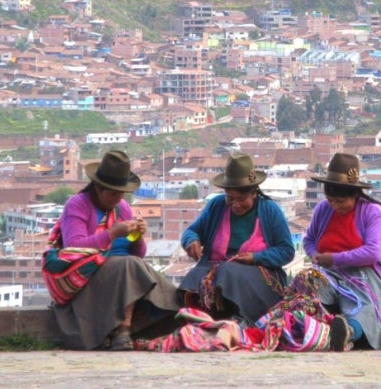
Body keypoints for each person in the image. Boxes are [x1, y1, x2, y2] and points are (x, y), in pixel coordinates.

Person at [47, 150, 181, 350]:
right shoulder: (77, 205)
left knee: (143, 272)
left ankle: (170, 317)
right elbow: (73, 248)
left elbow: (137, 254)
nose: (117, 198)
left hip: (123, 271)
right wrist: (110, 234)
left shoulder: (123, 208)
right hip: (89, 274)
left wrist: (137, 237)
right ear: (98, 188)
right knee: (130, 265)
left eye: (121, 193)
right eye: (112, 193)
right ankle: (124, 330)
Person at [305, 152, 381, 351]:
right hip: (329, 270)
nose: (335, 206)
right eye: (331, 201)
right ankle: (312, 330)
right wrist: (315, 255)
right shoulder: (323, 209)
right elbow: (309, 240)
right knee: (307, 286)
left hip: (366, 271)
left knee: (366, 299)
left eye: (341, 201)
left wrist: (334, 258)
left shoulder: (373, 213)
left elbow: (372, 252)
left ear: (355, 195)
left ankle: (348, 331)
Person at [178, 153, 295, 324]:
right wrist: (191, 241)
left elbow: (286, 251)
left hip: (258, 274)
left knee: (228, 272)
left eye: (242, 199)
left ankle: (240, 317)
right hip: (215, 269)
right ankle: (197, 317)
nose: (235, 205)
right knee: (197, 275)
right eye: (230, 198)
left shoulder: (270, 210)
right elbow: (192, 231)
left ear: (254, 192)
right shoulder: (216, 205)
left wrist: (255, 257)